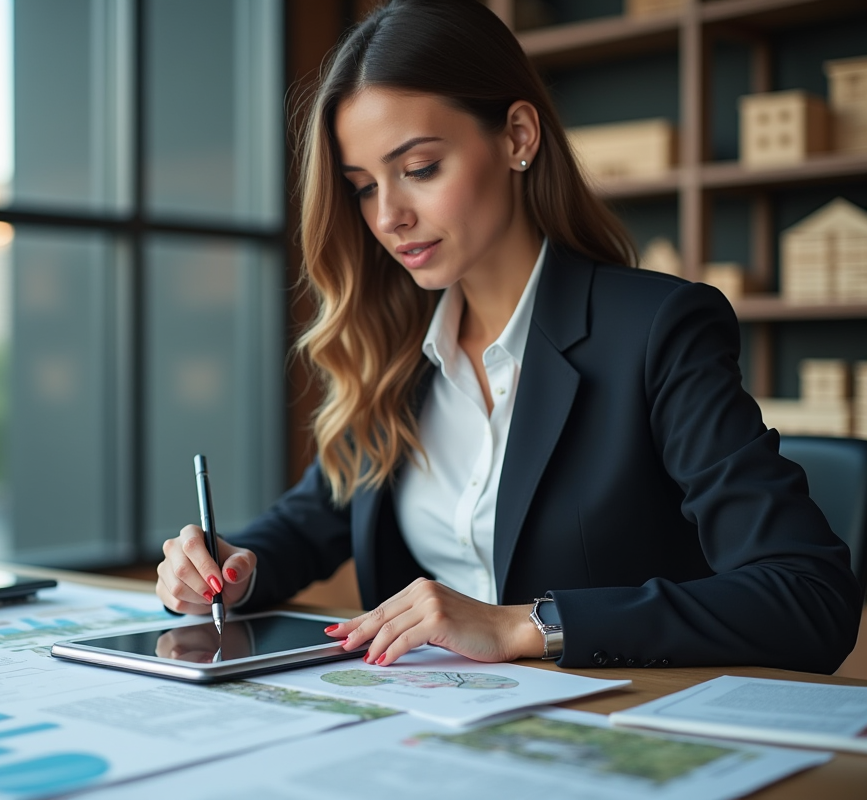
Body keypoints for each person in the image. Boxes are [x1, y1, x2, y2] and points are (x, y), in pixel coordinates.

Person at [155, 0, 861, 673]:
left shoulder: (656, 330)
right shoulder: (396, 348)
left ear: (518, 137)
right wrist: (228, 567)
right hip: (429, 733)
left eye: (420, 169)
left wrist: (526, 624)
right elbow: (308, 524)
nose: (389, 216)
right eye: (364, 186)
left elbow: (809, 597)